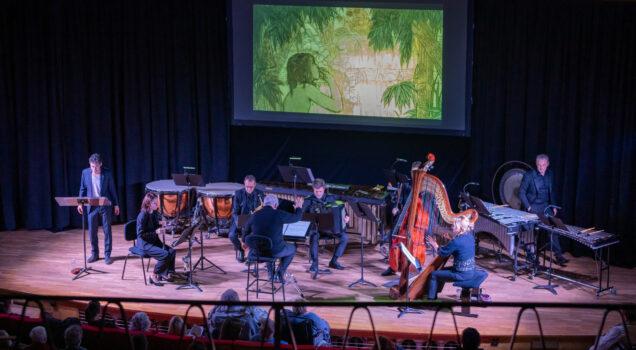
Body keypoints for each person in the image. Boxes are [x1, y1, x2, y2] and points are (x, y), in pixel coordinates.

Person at [519, 154, 568, 266]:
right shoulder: (529, 175)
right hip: (533, 206)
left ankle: (558, 256)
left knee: (553, 229)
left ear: (547, 164)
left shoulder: (550, 174)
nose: (541, 167)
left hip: (546, 207)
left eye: (543, 165)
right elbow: (521, 192)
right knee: (530, 231)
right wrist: (529, 207)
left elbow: (552, 192)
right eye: (539, 165)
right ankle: (531, 255)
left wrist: (554, 206)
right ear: (536, 165)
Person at [242, 194, 304, 282]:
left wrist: (245, 241)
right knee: (292, 248)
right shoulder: (278, 214)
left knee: (265, 245)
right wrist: (299, 207)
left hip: (257, 252)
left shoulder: (255, 215)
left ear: (264, 204)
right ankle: (280, 272)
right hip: (275, 251)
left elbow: (245, 231)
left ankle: (271, 275)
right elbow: (297, 217)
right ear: (275, 205)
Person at [426, 215, 488, 300]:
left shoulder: (456, 241)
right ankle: (435, 293)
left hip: (460, 274)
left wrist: (434, 245)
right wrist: (451, 239)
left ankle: (431, 299)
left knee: (433, 275)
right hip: (470, 271)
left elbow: (442, 253)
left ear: (460, 228)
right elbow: (461, 248)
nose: (452, 227)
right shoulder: (470, 236)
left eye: (454, 225)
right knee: (441, 271)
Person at [77, 153, 119, 264]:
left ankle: (107, 255)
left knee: (107, 230)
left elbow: (112, 190)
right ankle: (95, 254)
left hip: (105, 204)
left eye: (96, 166)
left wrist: (116, 204)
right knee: (92, 231)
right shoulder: (85, 173)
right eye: (92, 166)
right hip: (91, 206)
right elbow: (82, 188)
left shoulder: (107, 173)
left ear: (100, 164)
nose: (94, 169)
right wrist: (80, 203)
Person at [302, 178, 350, 272]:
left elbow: (342, 209)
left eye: (320, 191)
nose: (318, 193)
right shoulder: (308, 201)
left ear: (324, 189)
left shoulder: (332, 198)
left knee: (345, 237)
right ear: (313, 189)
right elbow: (302, 216)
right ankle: (314, 264)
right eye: (316, 191)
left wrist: (347, 216)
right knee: (314, 236)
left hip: (332, 230)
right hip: (318, 230)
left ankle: (334, 261)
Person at [136, 192, 177, 285]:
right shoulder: (143, 215)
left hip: (153, 240)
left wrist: (162, 223)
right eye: (155, 203)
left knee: (172, 251)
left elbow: (154, 224)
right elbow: (140, 235)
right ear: (148, 204)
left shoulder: (153, 213)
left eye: (157, 202)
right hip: (145, 244)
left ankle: (167, 273)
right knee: (165, 255)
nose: (157, 204)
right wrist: (156, 232)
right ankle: (154, 275)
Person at [229, 175, 265, 263]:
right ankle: (240, 250)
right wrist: (238, 221)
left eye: (251, 187)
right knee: (232, 235)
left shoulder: (260, 194)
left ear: (255, 184)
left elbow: (262, 209)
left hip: (253, 219)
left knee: (256, 235)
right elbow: (234, 212)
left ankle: (252, 254)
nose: (249, 189)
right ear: (244, 184)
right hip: (240, 218)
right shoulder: (238, 193)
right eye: (247, 187)